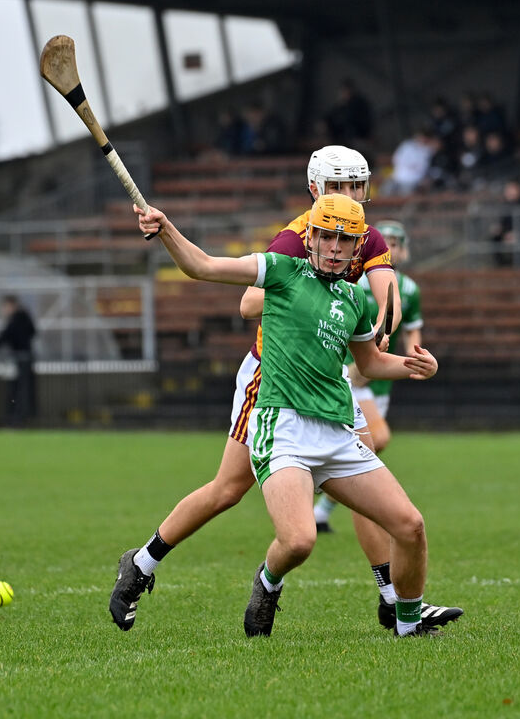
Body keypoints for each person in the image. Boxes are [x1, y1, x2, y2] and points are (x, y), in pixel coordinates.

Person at [108, 146, 462, 635]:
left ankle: (394, 602)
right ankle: (145, 562)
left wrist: (402, 351)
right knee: (235, 494)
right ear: (315, 198)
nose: (345, 205)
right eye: (336, 192)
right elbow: (223, 283)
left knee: (391, 499)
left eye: (355, 188)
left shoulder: (363, 246)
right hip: (271, 378)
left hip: (330, 392)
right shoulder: (291, 250)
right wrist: (169, 231)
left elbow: (382, 317)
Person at [314, 219, 422, 532]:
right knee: (376, 442)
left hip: (381, 379)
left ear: (405, 250)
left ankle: (322, 509)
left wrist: (413, 359)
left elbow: (411, 330)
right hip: (352, 372)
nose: (391, 248)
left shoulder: (410, 289)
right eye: (385, 242)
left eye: (397, 242)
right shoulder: (357, 282)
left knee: (369, 447)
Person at [0, 295, 37, 427]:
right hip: (24, 357)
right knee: (23, 388)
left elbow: (6, 335)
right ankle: (22, 416)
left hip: (20, 358)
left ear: (11, 305)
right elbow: (32, 332)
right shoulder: (23, 317)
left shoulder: (17, 319)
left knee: (19, 389)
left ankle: (18, 418)